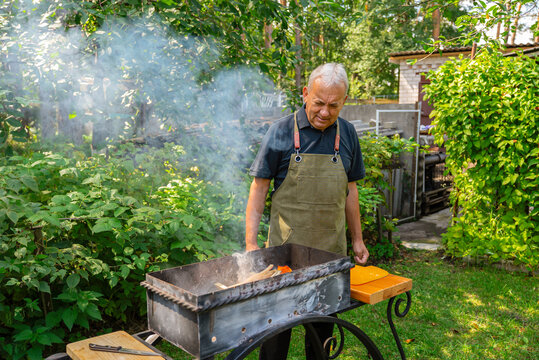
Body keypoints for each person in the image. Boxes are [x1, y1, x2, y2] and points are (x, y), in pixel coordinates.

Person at [244, 63, 369, 359]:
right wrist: (251, 245)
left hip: (330, 256)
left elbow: (351, 191)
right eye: (319, 103)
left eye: (333, 105)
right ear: (305, 94)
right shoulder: (281, 131)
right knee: (275, 336)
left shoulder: (348, 134)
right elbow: (259, 187)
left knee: (321, 338)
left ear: (344, 102)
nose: (325, 112)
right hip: (284, 258)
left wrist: (358, 239)